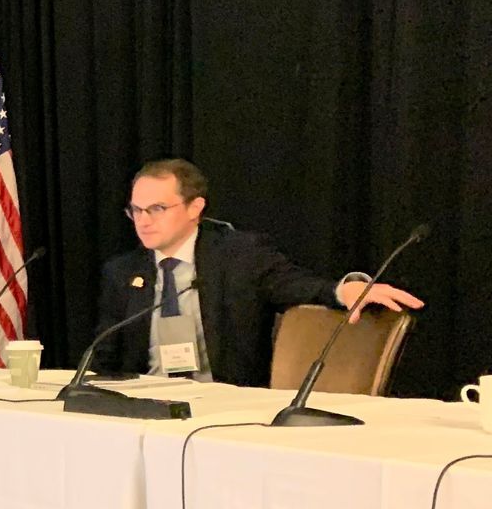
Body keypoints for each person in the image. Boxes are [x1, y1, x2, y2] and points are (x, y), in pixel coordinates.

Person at [91, 159, 423, 386]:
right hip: (148, 408)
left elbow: (297, 285)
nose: (143, 220)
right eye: (136, 210)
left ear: (195, 208)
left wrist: (344, 290)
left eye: (157, 209)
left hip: (225, 406)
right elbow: (105, 357)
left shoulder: (240, 256)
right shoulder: (122, 272)